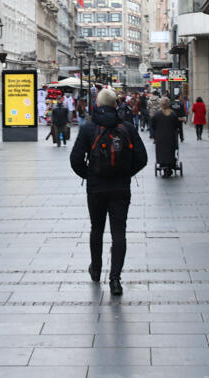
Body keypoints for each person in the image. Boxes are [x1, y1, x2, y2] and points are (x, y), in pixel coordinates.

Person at [70, 88, 148, 297]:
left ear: (97, 104)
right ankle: (115, 279)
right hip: (120, 188)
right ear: (116, 105)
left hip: (96, 188)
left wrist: (90, 174)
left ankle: (96, 269)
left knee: (96, 228)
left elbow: (75, 159)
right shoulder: (127, 128)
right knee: (119, 232)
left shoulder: (88, 128)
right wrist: (126, 173)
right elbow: (142, 158)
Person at [151, 97, 182, 177]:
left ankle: (163, 165)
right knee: (170, 151)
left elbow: (153, 126)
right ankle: (170, 165)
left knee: (161, 152)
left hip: (160, 137)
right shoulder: (173, 114)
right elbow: (176, 125)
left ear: (161, 104)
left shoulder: (157, 114)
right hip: (171, 137)